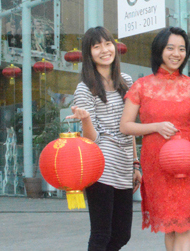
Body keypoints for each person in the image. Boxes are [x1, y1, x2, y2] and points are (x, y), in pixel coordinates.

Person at [120, 27, 190, 251]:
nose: (176, 53)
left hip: (187, 164)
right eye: (170, 48)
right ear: (159, 50)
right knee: (169, 227)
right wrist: (156, 127)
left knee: (185, 226)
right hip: (156, 164)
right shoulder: (142, 85)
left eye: (181, 49)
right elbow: (125, 126)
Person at [67, 26, 141, 250]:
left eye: (107, 44)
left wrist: (136, 163)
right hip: (101, 165)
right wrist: (86, 119)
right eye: (96, 46)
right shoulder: (84, 88)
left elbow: (129, 127)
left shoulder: (125, 81)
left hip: (124, 163)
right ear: (89, 54)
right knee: (101, 233)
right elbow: (92, 139)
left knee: (122, 234)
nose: (104, 50)